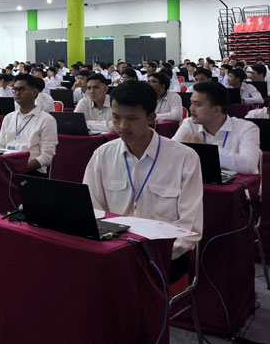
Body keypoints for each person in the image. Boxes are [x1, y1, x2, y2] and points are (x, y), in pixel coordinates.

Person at [83, 81, 202, 272]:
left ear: (151, 117)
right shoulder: (102, 154)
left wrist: (150, 255)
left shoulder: (184, 158)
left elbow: (190, 228)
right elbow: (92, 210)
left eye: (131, 118)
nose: (122, 126)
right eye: (116, 117)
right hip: (113, 252)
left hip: (162, 257)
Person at [173, 81, 261, 174]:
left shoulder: (247, 128)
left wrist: (206, 150)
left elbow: (249, 165)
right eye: (191, 103)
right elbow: (171, 152)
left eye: (197, 104)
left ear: (216, 109)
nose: (191, 108)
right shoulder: (189, 124)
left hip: (236, 186)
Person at [0, 74, 58, 177]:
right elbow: (0, 146)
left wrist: (21, 169)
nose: (17, 93)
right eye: (15, 90)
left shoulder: (47, 120)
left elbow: (47, 156)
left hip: (32, 172)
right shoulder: (9, 118)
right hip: (7, 170)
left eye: (21, 89)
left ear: (34, 92)